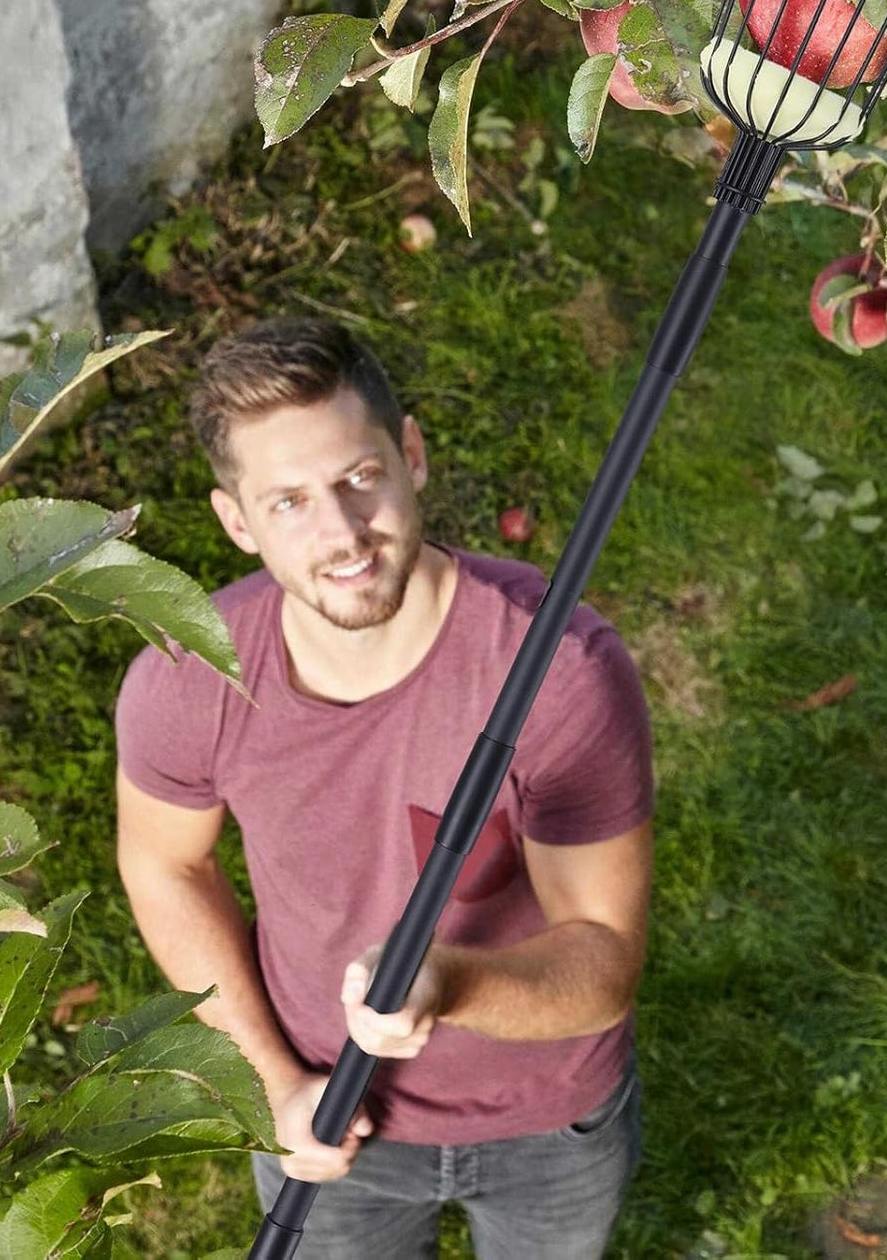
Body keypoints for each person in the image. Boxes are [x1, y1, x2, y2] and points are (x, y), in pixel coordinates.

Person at [112, 317, 655, 1259]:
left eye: (359, 478)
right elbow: (164, 864)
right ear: (236, 521)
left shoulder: (557, 669)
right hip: (326, 1114)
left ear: (410, 454)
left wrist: (448, 983)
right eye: (287, 502)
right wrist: (273, 1080)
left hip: (547, 1118)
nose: (342, 533)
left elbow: (603, 963)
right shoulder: (191, 678)